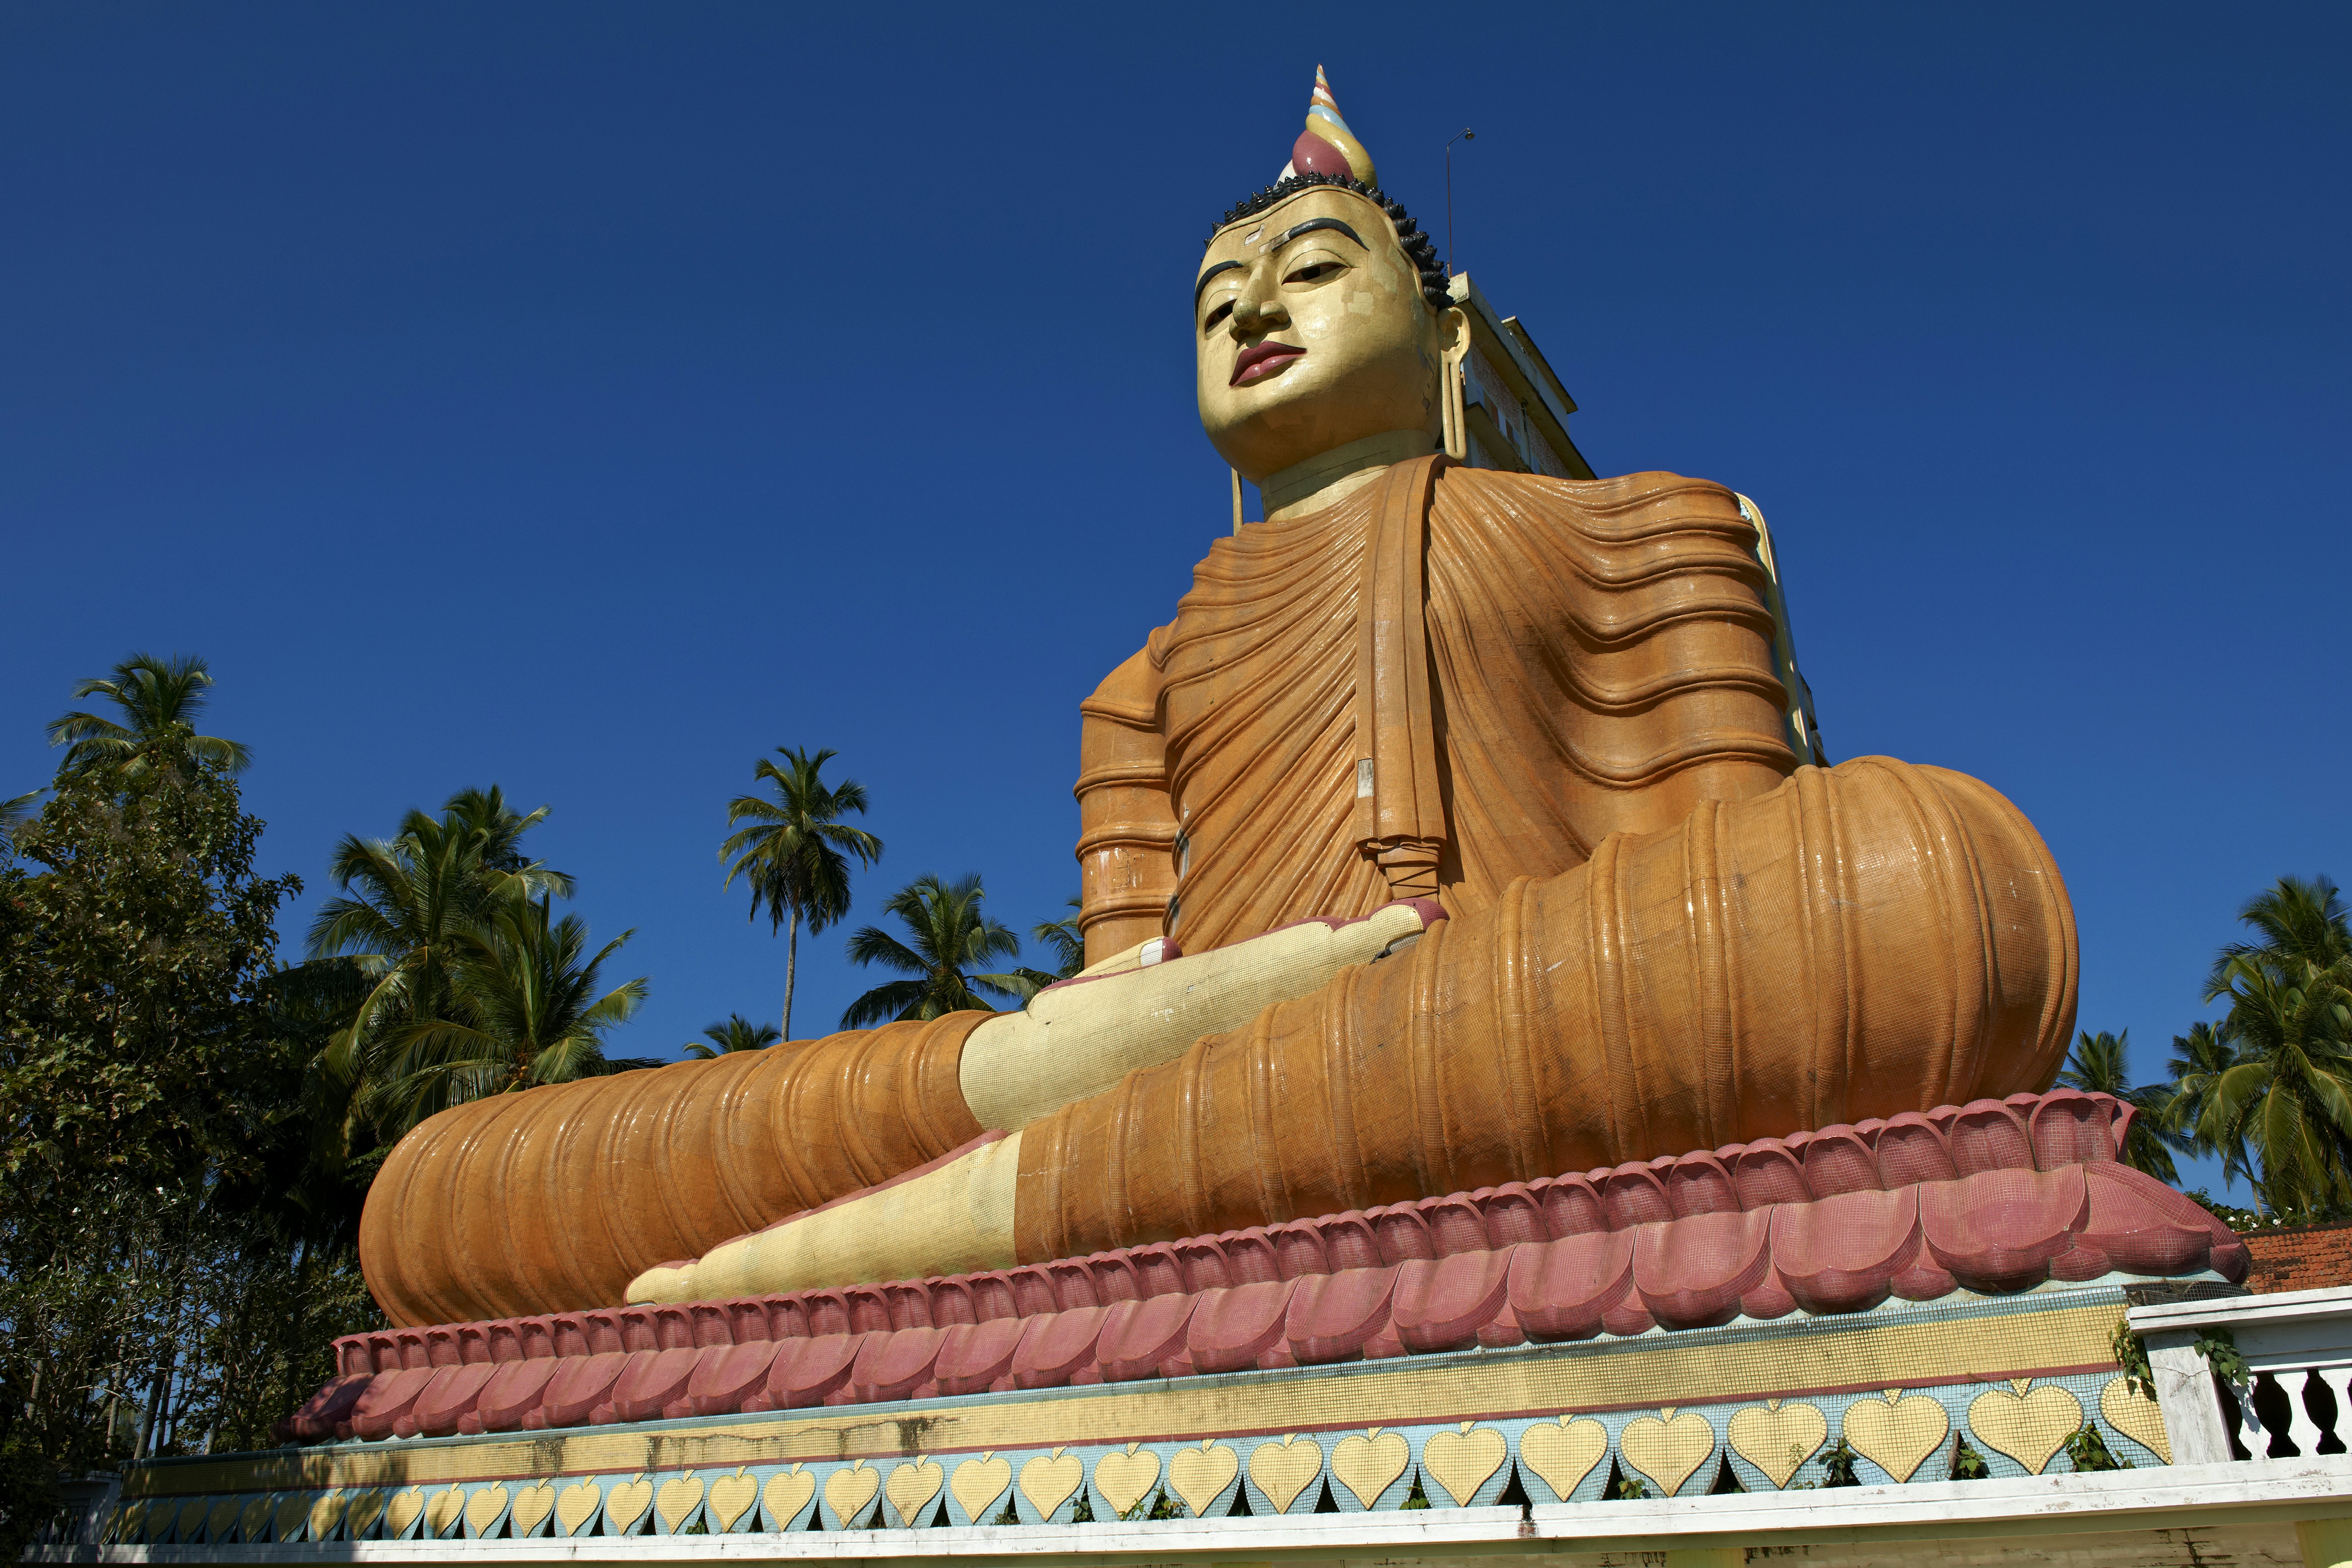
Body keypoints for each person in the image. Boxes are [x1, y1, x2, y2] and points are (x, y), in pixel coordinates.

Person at [357, 71, 2075, 1329]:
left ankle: (916, 1238)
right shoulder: (1152, 667)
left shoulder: (1640, 523)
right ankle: (999, 1206)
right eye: (1214, 301)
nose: (1252, 306)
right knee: (450, 1190)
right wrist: (1209, 1006)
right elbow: (1115, 1001)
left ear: (1446, 330)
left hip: (1503, 1019)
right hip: (1159, 1086)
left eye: (1314, 268)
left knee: (1917, 879)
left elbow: (1742, 883)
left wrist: (1421, 981)